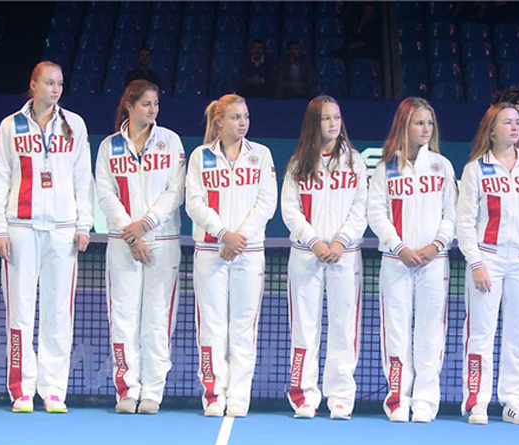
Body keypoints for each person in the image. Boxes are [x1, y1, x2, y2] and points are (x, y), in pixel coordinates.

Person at [0, 61, 94, 413]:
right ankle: (22, 390)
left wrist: (84, 224)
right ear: (33, 85)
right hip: (20, 228)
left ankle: (53, 391)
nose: (55, 89)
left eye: (60, 84)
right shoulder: (11, 126)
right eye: (49, 83)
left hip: (63, 230)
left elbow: (83, 178)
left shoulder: (74, 125)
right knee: (19, 311)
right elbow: (0, 179)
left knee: (58, 313)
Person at [456, 103, 519, 425]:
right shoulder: (475, 169)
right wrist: (476, 262)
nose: (514, 128)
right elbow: (464, 222)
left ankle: (514, 402)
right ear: (491, 129)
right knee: (480, 333)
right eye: (507, 122)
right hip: (488, 259)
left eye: (516, 123)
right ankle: (477, 402)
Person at [95, 80, 186, 414]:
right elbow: (106, 194)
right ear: (129, 105)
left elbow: (175, 192)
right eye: (146, 104)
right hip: (123, 244)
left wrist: (145, 224)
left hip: (163, 241)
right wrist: (131, 234)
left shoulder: (170, 141)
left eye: (156, 104)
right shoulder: (109, 147)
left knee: (157, 319)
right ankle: (127, 391)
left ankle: (152, 392)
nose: (153, 110)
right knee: (123, 318)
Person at [185, 94, 278, 417]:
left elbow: (266, 203)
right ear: (220, 121)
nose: (243, 123)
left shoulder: (261, 155)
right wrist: (224, 234)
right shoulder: (200, 157)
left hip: (248, 254)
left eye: (246, 117)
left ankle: (238, 396)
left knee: (243, 327)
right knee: (211, 326)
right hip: (210, 252)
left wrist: (239, 238)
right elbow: (194, 203)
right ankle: (213, 394)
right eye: (236, 117)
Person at [368, 97, 457, 423]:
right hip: (396, 262)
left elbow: (452, 214)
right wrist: (399, 247)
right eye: (419, 123)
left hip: (434, 263)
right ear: (404, 126)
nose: (425, 129)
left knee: (431, 333)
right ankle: (397, 398)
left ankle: (425, 401)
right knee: (396, 332)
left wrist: (436, 245)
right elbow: (376, 213)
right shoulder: (386, 168)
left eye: (429, 123)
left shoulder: (442, 166)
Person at [281, 95, 368, 420]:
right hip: (306, 256)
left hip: (345, 257)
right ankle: (304, 396)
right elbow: (290, 210)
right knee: (304, 328)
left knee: (344, 328)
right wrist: (315, 242)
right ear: (313, 123)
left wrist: (341, 242)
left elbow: (361, 207)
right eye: (326, 118)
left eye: (337, 117)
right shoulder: (297, 163)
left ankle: (341, 396)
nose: (334, 124)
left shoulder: (354, 162)